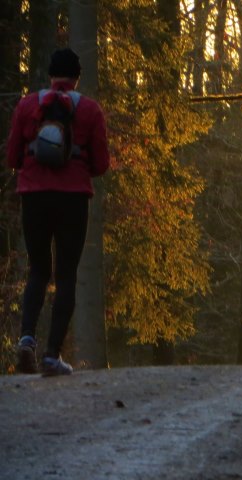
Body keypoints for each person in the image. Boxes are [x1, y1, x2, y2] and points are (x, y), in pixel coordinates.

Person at [7, 48, 110, 376]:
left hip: (34, 196)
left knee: (38, 270)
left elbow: (12, 157)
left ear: (51, 75)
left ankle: (26, 341)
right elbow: (101, 165)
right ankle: (52, 355)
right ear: (76, 78)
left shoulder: (27, 105)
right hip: (73, 199)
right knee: (66, 274)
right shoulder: (90, 110)